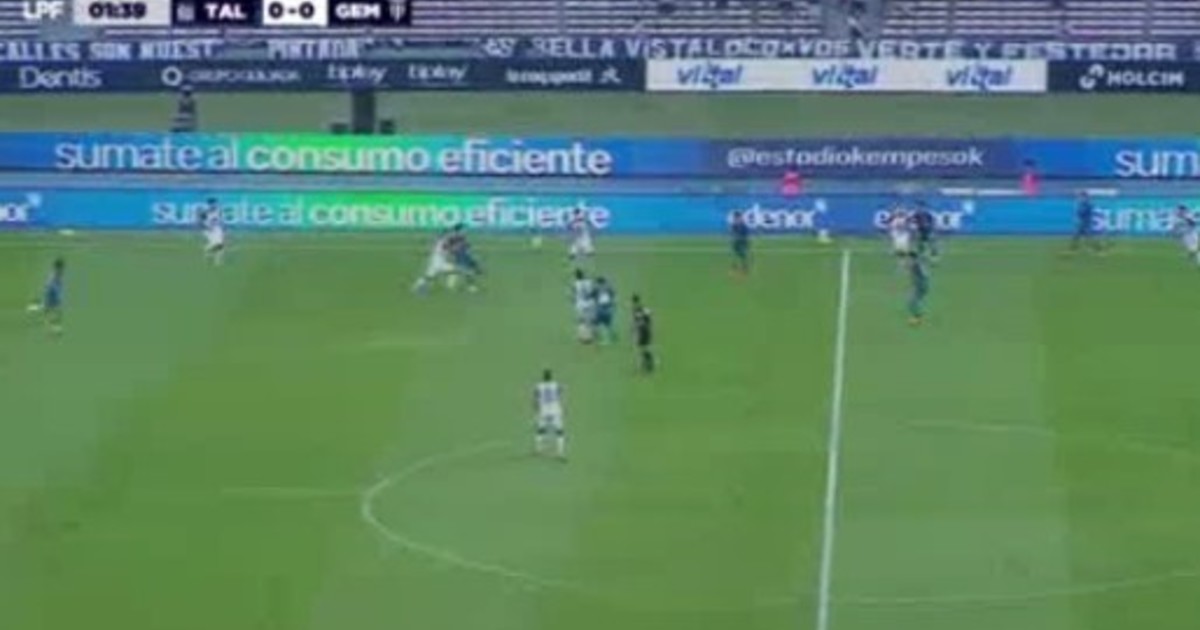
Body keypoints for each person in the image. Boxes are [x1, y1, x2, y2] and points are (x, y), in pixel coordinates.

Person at [533, 369, 567, 460]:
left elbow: (535, 398)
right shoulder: (556, 384)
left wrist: (536, 410)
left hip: (544, 411)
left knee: (541, 430)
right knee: (559, 431)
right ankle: (560, 453)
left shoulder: (538, 386)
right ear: (551, 377)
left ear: (543, 377)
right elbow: (561, 393)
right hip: (555, 410)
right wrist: (563, 407)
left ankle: (538, 449)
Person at [412, 229, 455, 293]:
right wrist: (451, 251)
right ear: (447, 234)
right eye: (451, 234)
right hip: (438, 263)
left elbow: (437, 247)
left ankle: (416, 287)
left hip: (436, 261)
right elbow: (446, 249)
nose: (452, 235)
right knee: (452, 270)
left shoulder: (442, 240)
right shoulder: (444, 242)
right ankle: (449, 286)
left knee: (428, 276)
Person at [30, 257, 65, 335]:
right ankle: (51, 330)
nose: (61, 269)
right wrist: (57, 295)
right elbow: (50, 286)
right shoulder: (53, 276)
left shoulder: (59, 274)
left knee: (56, 311)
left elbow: (59, 285)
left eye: (62, 267)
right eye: (60, 267)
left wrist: (59, 293)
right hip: (50, 296)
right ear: (57, 267)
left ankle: (55, 327)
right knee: (48, 311)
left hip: (53, 296)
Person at [446, 224, 481, 292]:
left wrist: (473, 256)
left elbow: (468, 248)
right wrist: (453, 253)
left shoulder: (463, 238)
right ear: (459, 230)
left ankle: (452, 283)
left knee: (468, 270)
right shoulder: (452, 238)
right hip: (459, 257)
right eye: (463, 230)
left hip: (465, 256)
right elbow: (449, 248)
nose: (465, 231)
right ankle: (471, 286)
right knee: (465, 271)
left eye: (465, 230)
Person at [632, 293, 655, 374]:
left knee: (643, 349)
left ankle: (646, 365)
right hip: (645, 331)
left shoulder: (638, 310)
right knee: (643, 349)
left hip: (643, 331)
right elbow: (650, 314)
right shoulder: (643, 309)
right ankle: (647, 364)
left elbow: (638, 322)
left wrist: (634, 330)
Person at [905, 251, 929, 327]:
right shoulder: (917, 264)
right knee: (912, 301)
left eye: (909, 258)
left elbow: (924, 275)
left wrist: (919, 284)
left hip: (920, 285)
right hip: (920, 285)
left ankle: (918, 318)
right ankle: (918, 317)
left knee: (911, 301)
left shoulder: (916, 265)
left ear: (912, 258)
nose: (907, 259)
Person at [572, 268, 596, 343]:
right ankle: (591, 337)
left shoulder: (576, 283)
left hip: (580, 304)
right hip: (590, 303)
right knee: (590, 321)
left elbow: (574, 293)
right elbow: (593, 291)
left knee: (581, 321)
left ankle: (582, 337)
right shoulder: (589, 282)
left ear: (576, 276)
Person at [201, 198, 225, 266]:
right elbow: (200, 222)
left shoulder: (219, 211)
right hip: (208, 230)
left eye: (216, 203)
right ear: (209, 204)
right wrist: (207, 227)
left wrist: (223, 228)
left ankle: (217, 261)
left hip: (217, 229)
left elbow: (220, 220)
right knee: (215, 244)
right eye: (213, 203)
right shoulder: (205, 212)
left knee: (220, 245)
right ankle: (207, 250)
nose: (215, 205)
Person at [593, 276, 616, 344]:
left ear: (598, 282)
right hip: (608, 308)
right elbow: (613, 296)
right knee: (608, 325)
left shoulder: (597, 288)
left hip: (600, 308)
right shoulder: (609, 288)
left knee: (596, 324)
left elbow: (593, 296)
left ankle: (598, 339)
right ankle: (610, 338)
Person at [730, 210, 751, 275]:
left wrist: (742, 238)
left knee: (742, 254)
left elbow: (746, 234)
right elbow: (733, 232)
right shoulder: (734, 225)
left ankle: (744, 266)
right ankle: (735, 266)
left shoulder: (743, 225)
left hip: (743, 241)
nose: (736, 219)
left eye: (738, 217)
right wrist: (734, 237)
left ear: (740, 217)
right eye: (735, 218)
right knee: (735, 253)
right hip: (736, 241)